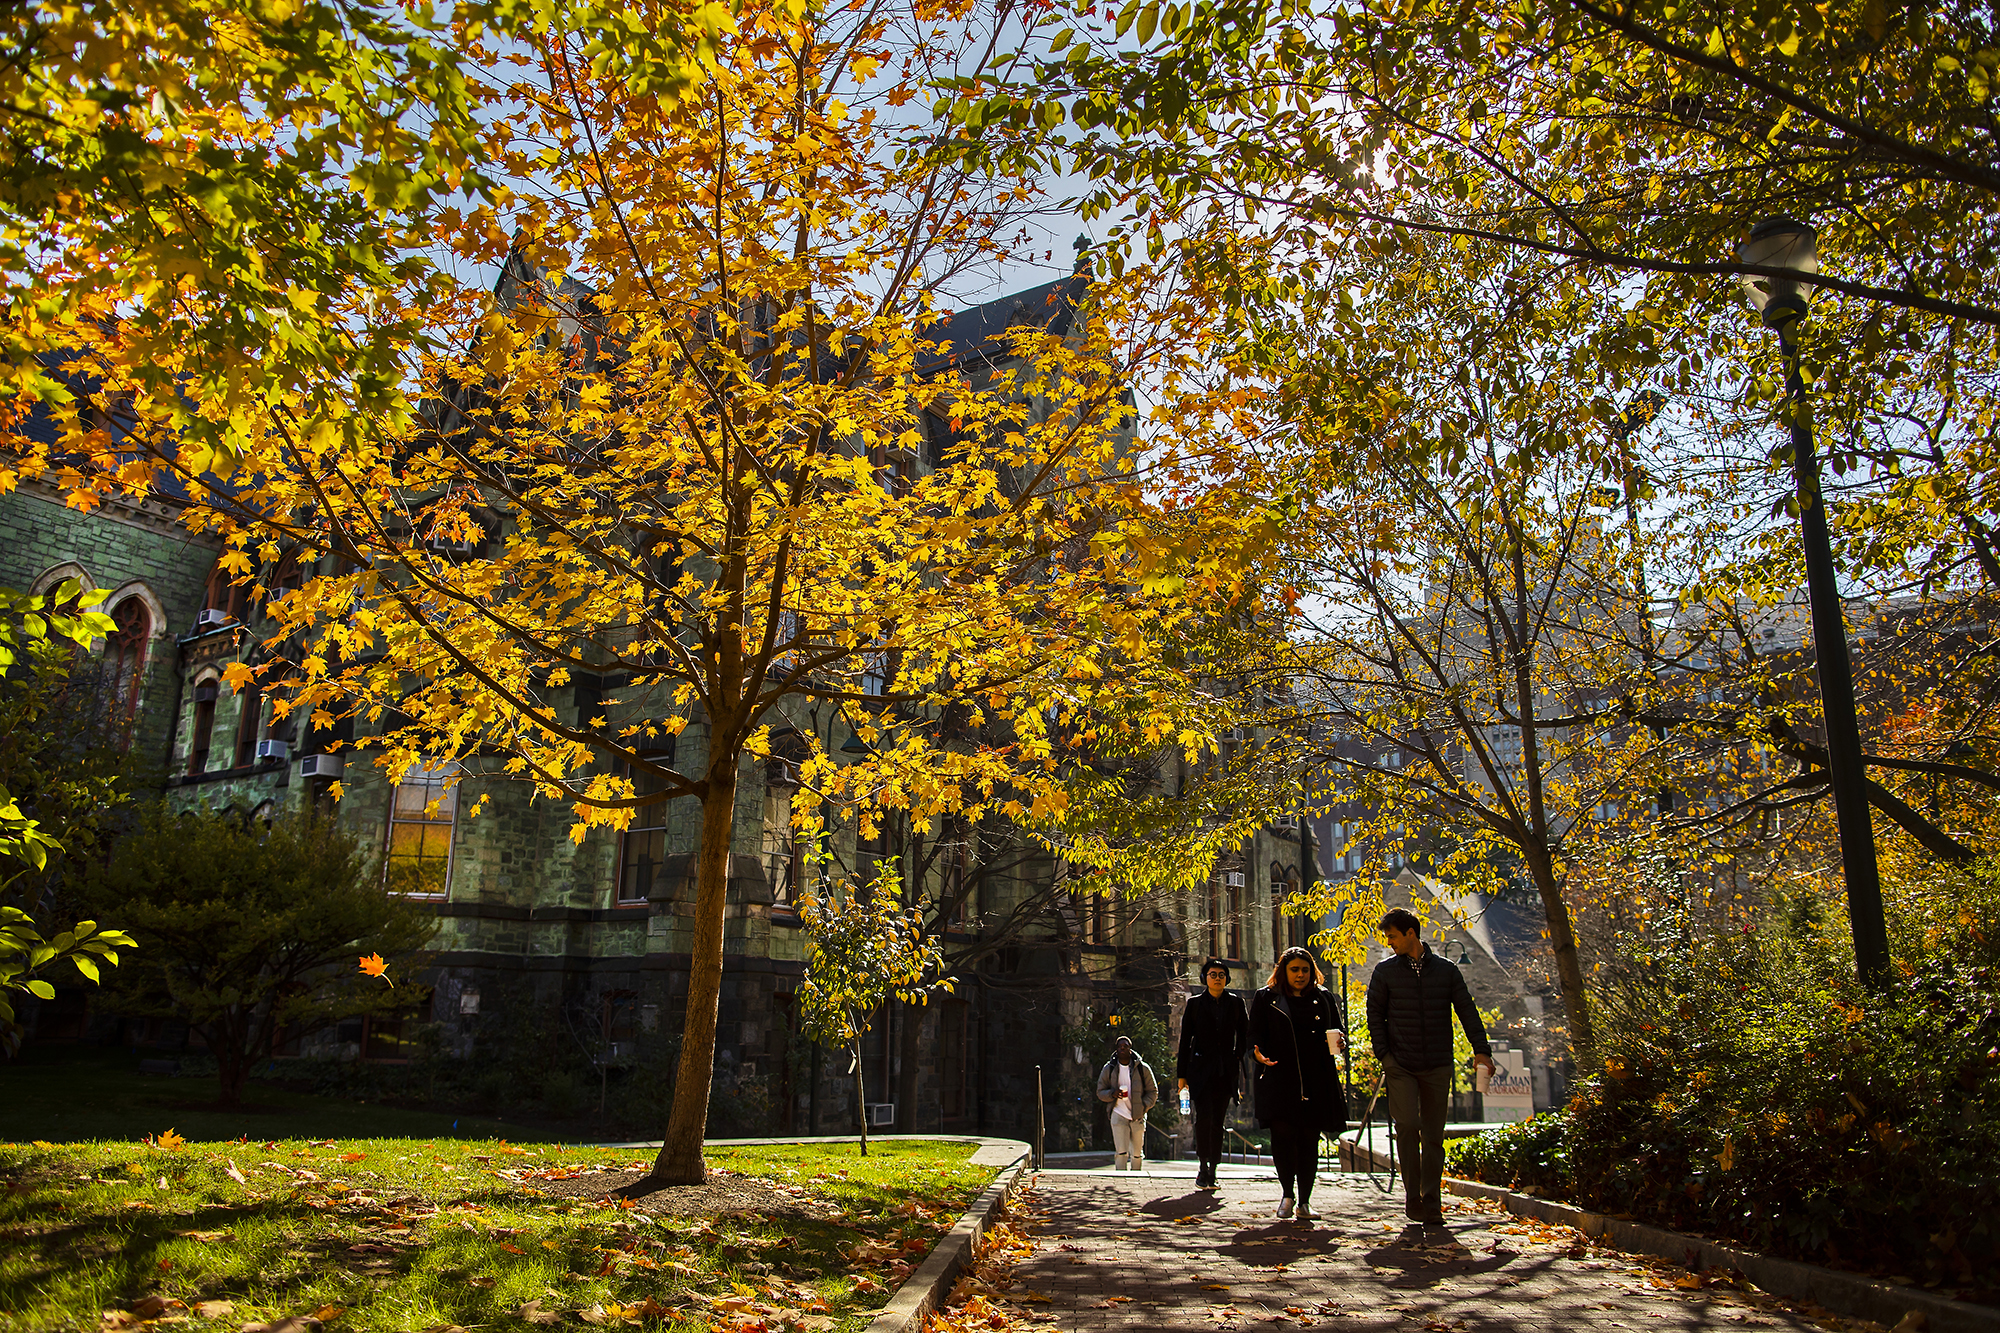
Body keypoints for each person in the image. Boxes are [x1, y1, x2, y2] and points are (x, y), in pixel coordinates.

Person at [1366, 908, 1495, 1230]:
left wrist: (1482, 1051)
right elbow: (1375, 1017)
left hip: (1438, 1064)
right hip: (1401, 1065)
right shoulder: (1385, 972)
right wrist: (1386, 1057)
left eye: (1393, 936)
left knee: (1434, 1137)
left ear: (1411, 933)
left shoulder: (1447, 971)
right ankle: (1413, 1195)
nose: (1390, 942)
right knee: (1407, 1125)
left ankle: (1432, 1202)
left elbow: (1466, 1010)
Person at [1248, 945, 1348, 1222]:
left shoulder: (1323, 997)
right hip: (1279, 1078)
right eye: (1294, 970)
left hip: (1316, 1079)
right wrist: (1256, 1053)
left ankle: (1305, 1200)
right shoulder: (1266, 998)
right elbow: (1253, 1035)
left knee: (1308, 1140)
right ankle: (1287, 1195)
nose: (1300, 975)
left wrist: (1340, 1043)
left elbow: (1338, 1032)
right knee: (1282, 1138)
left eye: (1305, 970)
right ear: (1283, 972)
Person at [1176, 956, 1250, 1189]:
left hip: (1225, 1072)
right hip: (1200, 1071)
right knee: (1203, 1118)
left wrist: (1238, 1055)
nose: (1217, 978)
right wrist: (1182, 1075)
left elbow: (1246, 1034)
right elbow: (1185, 1040)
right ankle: (1202, 1166)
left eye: (1221, 975)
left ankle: (1213, 1169)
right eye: (1212, 974)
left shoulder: (1236, 1004)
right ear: (1205, 978)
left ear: (1227, 979)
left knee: (1218, 1121)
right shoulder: (1195, 1004)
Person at [1095, 1035, 1160, 1171]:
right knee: (1121, 1152)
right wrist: (1111, 1094)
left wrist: (1143, 1107)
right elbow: (1100, 1091)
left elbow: (1153, 1091)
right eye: (1120, 1047)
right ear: (1116, 1050)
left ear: (1131, 1050)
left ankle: (1136, 1178)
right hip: (1118, 1113)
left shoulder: (1142, 1068)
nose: (1122, 1049)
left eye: (1125, 1047)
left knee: (1137, 1153)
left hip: (1137, 1115)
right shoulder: (1110, 1068)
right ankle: (1120, 1179)